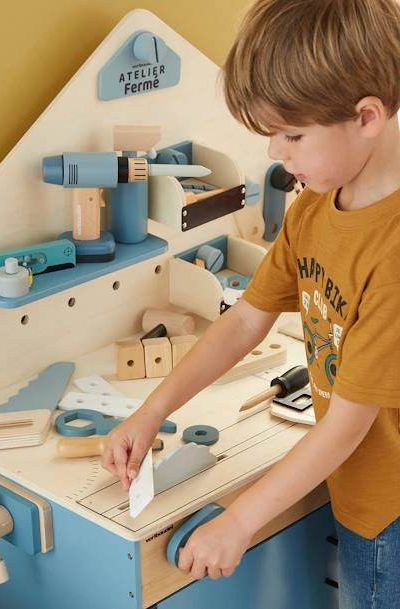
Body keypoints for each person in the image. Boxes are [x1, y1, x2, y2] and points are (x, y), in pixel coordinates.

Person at [102, 0, 400, 606]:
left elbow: (347, 427)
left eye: (293, 135)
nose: (274, 153)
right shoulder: (319, 200)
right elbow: (243, 321)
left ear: (367, 116)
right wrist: (150, 412)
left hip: (387, 508)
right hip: (360, 487)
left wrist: (239, 521)